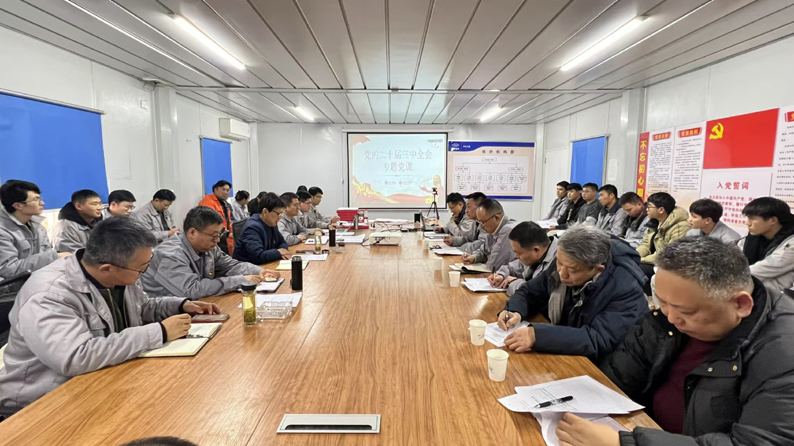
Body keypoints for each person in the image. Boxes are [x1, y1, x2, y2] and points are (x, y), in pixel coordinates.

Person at [560, 237, 794, 446]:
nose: (671, 317)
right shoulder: (667, 319)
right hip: (640, 427)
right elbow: (620, 377)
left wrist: (625, 443)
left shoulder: (782, 354)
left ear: (740, 304)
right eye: (662, 302)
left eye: (686, 311)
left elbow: (756, 441)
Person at [0, 217, 220, 417]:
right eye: (141, 268)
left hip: (103, 379)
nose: (143, 273)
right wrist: (160, 332)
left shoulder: (120, 274)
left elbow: (142, 306)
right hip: (40, 405)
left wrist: (180, 305)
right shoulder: (48, 295)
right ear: (107, 268)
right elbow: (76, 357)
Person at [498, 224, 647, 362]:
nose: (562, 274)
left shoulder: (626, 288)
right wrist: (514, 310)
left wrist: (539, 336)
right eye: (559, 263)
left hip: (605, 365)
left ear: (598, 269)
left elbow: (598, 339)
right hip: (567, 350)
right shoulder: (566, 261)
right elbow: (530, 291)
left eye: (572, 270)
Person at [141, 207, 278, 300]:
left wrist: (259, 271)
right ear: (192, 232)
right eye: (214, 236)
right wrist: (241, 280)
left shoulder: (208, 247)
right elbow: (192, 290)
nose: (217, 240)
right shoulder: (170, 254)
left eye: (219, 235)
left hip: (198, 305)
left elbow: (230, 265)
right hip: (167, 317)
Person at [0, 180, 63, 279]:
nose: (42, 203)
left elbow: (46, 253)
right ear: (18, 205)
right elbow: (9, 269)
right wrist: (53, 256)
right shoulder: (3, 231)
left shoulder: (38, 227)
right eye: (36, 199)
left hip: (40, 279)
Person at [737, 197, 794, 294]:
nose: (747, 223)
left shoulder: (791, 244)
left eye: (752, 218)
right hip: (757, 292)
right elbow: (733, 256)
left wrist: (728, 277)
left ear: (773, 220)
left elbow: (761, 270)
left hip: (779, 298)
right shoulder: (753, 237)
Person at [488, 222, 558, 297]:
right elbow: (511, 268)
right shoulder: (535, 253)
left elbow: (538, 294)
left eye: (519, 253)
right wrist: (501, 275)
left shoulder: (558, 262)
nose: (516, 256)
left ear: (536, 250)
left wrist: (514, 282)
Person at [234, 193, 291, 264]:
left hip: (265, 264)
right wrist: (278, 252)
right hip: (248, 268)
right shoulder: (252, 228)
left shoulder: (271, 223)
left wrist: (282, 251)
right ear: (265, 212)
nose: (280, 218)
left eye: (281, 214)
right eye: (278, 214)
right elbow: (258, 256)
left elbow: (282, 242)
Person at [463, 199, 517, 272]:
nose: (481, 226)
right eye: (479, 222)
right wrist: (474, 257)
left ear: (496, 218)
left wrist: (489, 257)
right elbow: (484, 250)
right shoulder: (493, 230)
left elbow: (494, 265)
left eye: (483, 222)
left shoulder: (507, 231)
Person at [51, 189, 103, 253]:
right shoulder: (66, 227)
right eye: (94, 204)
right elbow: (72, 254)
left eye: (100, 203)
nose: (99, 207)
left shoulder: (100, 223)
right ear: (78, 206)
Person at [198, 180, 234, 255]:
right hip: (213, 237)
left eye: (228, 190)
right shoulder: (208, 201)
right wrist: (227, 233)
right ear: (215, 189)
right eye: (223, 189)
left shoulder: (225, 203)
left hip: (224, 237)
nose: (226, 192)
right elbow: (210, 221)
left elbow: (228, 221)